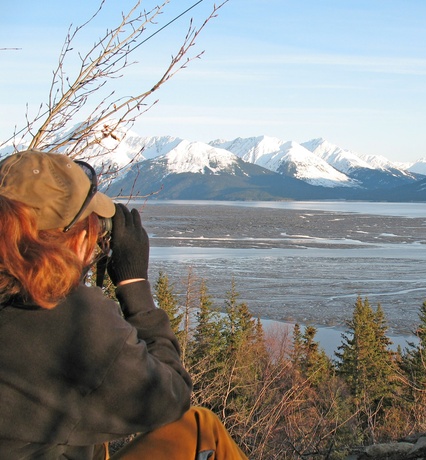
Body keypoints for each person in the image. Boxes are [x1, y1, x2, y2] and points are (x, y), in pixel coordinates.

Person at [0, 150, 248, 459]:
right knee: (200, 428)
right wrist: (134, 287)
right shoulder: (72, 321)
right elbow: (170, 396)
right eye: (92, 227)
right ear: (73, 239)